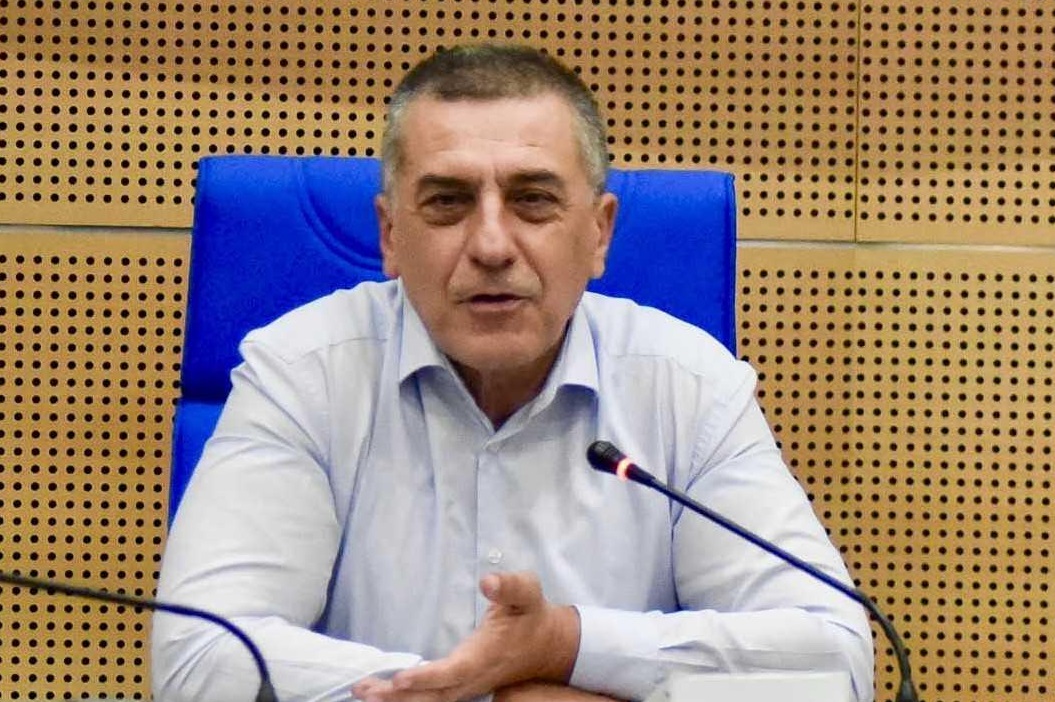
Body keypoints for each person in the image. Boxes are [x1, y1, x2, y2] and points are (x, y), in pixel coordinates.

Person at [152, 43, 874, 702]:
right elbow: (200, 660)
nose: (492, 245)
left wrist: (566, 643)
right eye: (447, 202)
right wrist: (487, 693)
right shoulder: (303, 373)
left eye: (533, 200)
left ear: (598, 232)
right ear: (390, 235)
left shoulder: (688, 387)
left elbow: (832, 665)